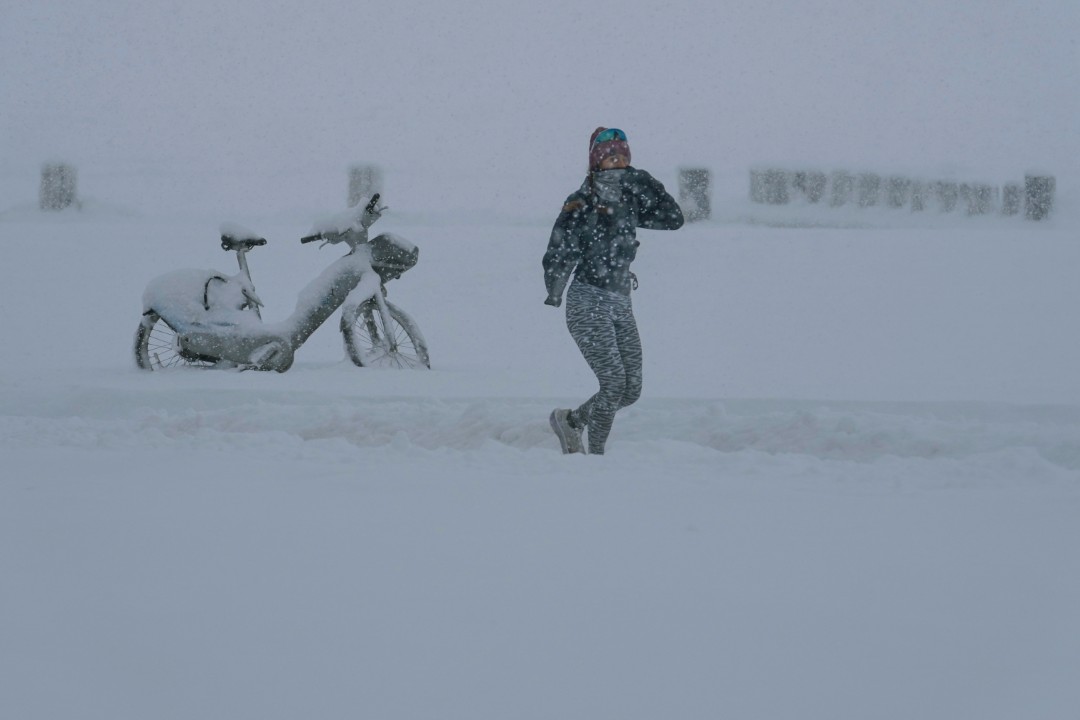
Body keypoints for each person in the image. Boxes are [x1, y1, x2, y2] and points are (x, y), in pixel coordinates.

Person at [543, 127, 684, 455]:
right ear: (596, 162)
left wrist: (648, 183)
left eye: (622, 155)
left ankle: (572, 421)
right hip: (587, 299)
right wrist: (555, 287)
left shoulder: (630, 198)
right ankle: (597, 458)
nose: (617, 160)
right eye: (610, 156)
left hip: (620, 301)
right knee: (613, 384)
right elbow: (560, 248)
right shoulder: (582, 200)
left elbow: (672, 219)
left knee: (631, 389)